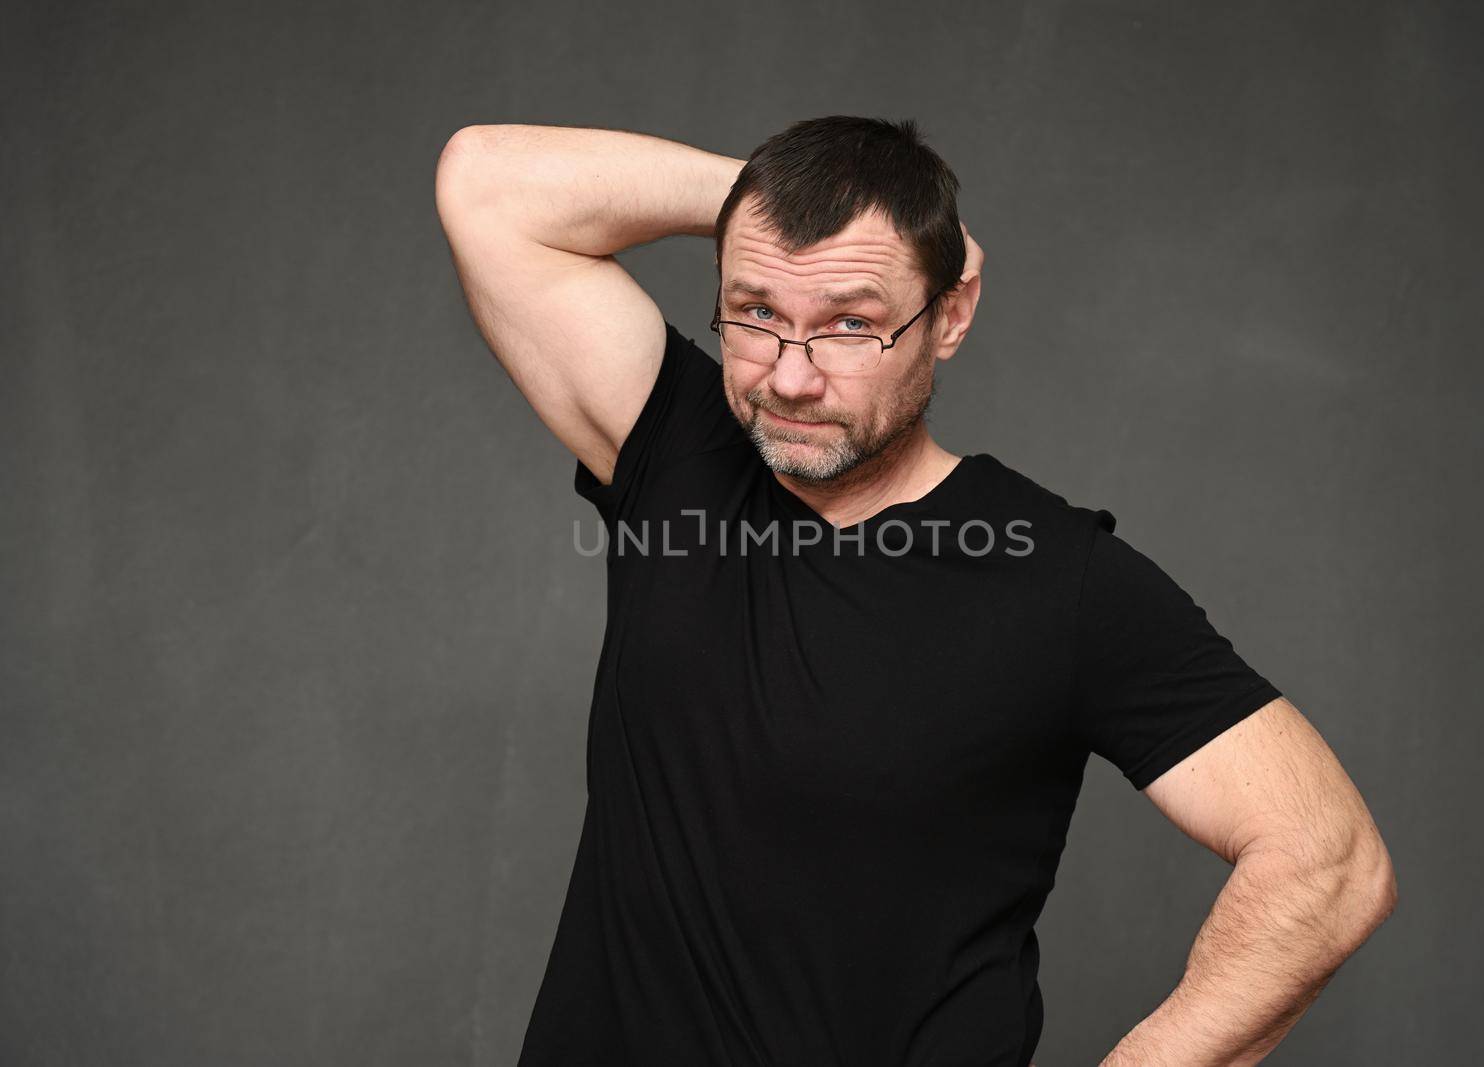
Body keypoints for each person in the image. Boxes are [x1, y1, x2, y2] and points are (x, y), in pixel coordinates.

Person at [434, 115, 1397, 1067]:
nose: (791, 378)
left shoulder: (1058, 579)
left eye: (851, 323)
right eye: (758, 311)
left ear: (951, 312)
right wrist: (772, 204)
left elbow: (1330, 861)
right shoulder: (678, 452)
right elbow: (487, 183)